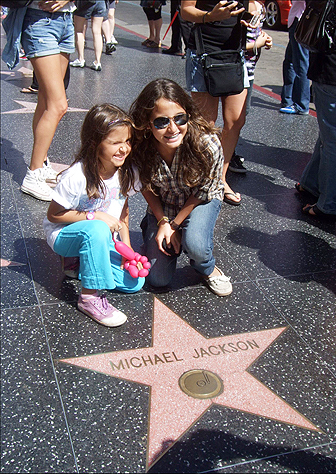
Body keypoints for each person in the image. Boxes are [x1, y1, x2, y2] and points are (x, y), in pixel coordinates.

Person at [130, 78, 233, 297]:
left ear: (188, 114)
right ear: (148, 123)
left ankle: (206, 268)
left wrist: (175, 226)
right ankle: (151, 230)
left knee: (194, 243)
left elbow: (203, 191)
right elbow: (146, 187)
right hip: (164, 203)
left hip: (200, 200)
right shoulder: (139, 146)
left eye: (180, 118)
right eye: (161, 122)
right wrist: (162, 221)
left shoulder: (207, 144)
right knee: (157, 280)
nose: (173, 128)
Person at [44, 104, 145, 327]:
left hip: (99, 236)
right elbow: (54, 215)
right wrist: (95, 215)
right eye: (115, 142)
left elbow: (123, 212)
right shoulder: (76, 176)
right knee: (97, 228)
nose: (124, 149)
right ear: (95, 143)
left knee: (133, 282)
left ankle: (78, 264)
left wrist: (128, 251)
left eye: (127, 141)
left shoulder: (127, 172)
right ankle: (89, 298)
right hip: (64, 235)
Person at [181, 0, 252, 206]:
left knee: (236, 120)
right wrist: (211, 17)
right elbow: (186, 11)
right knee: (206, 124)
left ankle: (220, 178)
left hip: (234, 51)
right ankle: (205, 178)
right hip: (204, 51)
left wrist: (251, 16)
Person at [297, 1, 336, 221]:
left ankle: (330, 204)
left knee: (333, 139)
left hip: (335, 66)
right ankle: (311, 182)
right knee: (329, 132)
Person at [20, 0, 76, 202]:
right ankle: (33, 173)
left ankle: (41, 164)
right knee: (58, 104)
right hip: (40, 20)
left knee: (45, 100)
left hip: (66, 19)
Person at [230, 0, 272, 173]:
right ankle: (226, 155)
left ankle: (229, 152)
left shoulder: (259, 6)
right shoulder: (240, 6)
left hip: (249, 70)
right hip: (235, 69)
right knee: (234, 119)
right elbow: (233, 44)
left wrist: (264, 39)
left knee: (241, 117)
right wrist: (257, 44)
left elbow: (256, 34)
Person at [280, 0, 309, 115]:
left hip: (301, 19)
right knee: (290, 62)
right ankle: (288, 99)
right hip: (297, 19)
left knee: (300, 63)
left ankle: (301, 104)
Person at [70, 0, 107, 70]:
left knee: (79, 30)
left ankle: (81, 59)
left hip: (85, 3)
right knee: (97, 32)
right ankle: (97, 62)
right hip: (100, 2)